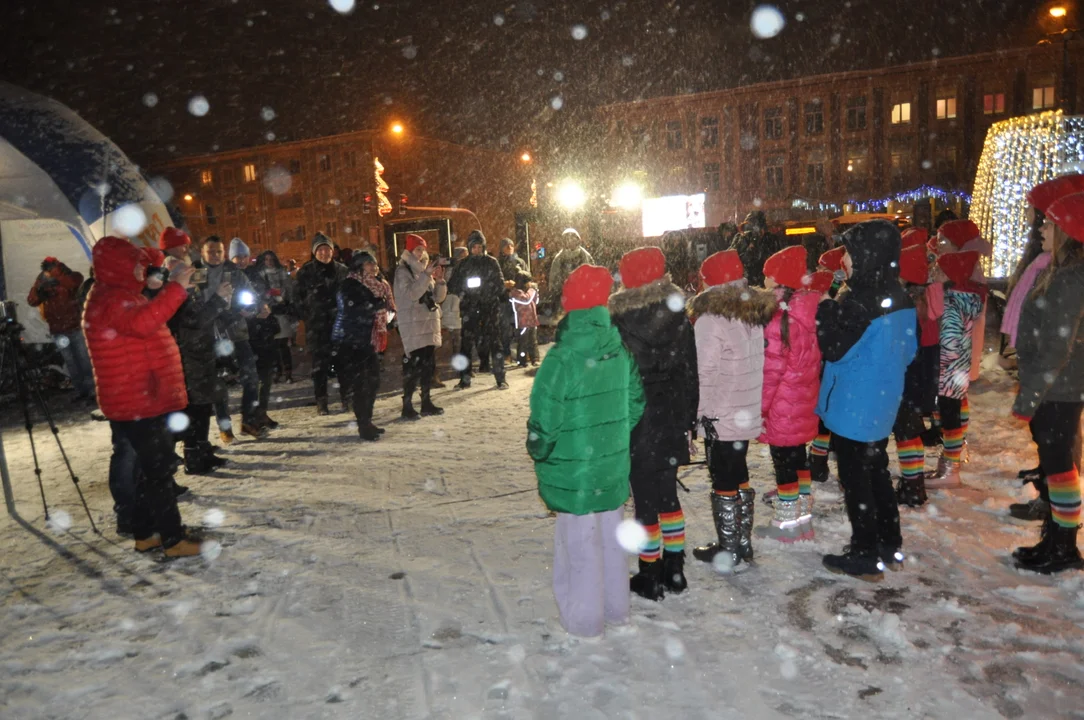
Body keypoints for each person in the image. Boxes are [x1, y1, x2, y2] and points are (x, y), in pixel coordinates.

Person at [527, 264, 645, 637]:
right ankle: (616, 609)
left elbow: (545, 419)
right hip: (610, 466)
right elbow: (636, 403)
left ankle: (584, 620)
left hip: (574, 471)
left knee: (579, 546)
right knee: (611, 540)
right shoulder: (619, 350)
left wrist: (539, 448)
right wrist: (612, 437)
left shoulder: (562, 358)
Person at [83, 236, 203, 557]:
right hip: (138, 400)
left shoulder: (116, 294)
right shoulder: (113, 300)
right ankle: (173, 539)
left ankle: (146, 534)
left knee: (147, 472)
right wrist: (175, 289)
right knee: (157, 472)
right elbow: (142, 323)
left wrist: (153, 272)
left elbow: (140, 316)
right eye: (134, 265)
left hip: (136, 398)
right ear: (120, 268)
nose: (140, 269)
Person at [816, 220, 917, 581]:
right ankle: (890, 544)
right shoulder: (899, 295)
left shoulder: (858, 300)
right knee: (876, 472)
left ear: (865, 255)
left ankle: (864, 553)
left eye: (848, 251)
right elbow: (910, 350)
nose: (843, 258)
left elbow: (833, 349)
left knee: (856, 477)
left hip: (853, 405)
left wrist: (826, 310)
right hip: (881, 402)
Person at [607, 248, 698, 599]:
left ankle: (650, 572)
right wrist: (688, 419)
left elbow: (616, 378)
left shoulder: (618, 321)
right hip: (672, 418)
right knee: (667, 496)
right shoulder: (679, 316)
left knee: (645, 501)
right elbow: (691, 372)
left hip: (638, 421)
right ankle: (675, 568)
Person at [1010, 190, 1084, 573]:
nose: (1041, 230)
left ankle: (1064, 547)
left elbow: (1057, 347)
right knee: (1056, 466)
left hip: (1059, 389)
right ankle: (1055, 540)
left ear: (1069, 232)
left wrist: (1030, 398)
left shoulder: (1070, 280)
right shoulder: (1063, 273)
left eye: (1050, 225)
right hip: (1057, 386)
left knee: (1059, 467)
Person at [688, 250, 777, 567]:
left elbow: (705, 374)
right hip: (744, 409)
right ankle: (742, 541)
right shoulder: (749, 313)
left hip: (721, 414)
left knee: (723, 476)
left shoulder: (711, 320)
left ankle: (729, 549)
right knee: (738, 471)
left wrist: (696, 415)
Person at [759, 246, 822, 542]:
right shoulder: (808, 310)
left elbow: (771, 372)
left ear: (778, 280)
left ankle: (786, 526)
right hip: (803, 400)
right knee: (799, 460)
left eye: (768, 276)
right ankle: (803, 521)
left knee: (783, 463)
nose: (765, 282)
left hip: (783, 405)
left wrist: (761, 409)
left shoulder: (778, 320)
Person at [924, 249, 987, 488]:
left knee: (950, 422)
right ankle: (949, 465)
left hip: (948, 373)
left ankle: (950, 470)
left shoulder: (951, 303)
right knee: (953, 418)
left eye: (939, 270)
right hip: (957, 371)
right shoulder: (966, 297)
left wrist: (936, 369)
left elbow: (949, 343)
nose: (934, 272)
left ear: (950, 274)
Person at [197, 237, 263, 440]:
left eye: (219, 251)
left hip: (237, 332)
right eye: (211, 252)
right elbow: (193, 306)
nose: (216, 255)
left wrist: (250, 308)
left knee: (251, 377)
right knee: (219, 383)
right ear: (203, 253)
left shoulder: (236, 273)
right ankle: (224, 427)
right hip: (210, 336)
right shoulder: (196, 275)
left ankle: (249, 421)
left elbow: (251, 296)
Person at [893, 239, 937, 507]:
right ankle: (914, 481)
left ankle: (912, 485)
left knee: (906, 432)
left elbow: (906, 346)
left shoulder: (907, 304)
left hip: (909, 378)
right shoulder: (922, 299)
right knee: (910, 431)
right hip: (920, 375)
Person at [333, 251, 389, 440]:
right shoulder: (349, 284)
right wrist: (375, 305)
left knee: (373, 381)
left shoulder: (376, 285)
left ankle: (368, 420)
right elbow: (351, 308)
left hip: (366, 339)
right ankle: (363, 425)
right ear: (358, 266)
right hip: (351, 341)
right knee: (361, 383)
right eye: (368, 264)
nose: (374, 267)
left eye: (374, 263)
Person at [393, 234, 447, 419]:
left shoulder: (424, 269)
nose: (420, 253)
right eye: (417, 249)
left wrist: (439, 281)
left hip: (428, 322)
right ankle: (407, 405)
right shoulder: (403, 271)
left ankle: (426, 402)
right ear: (409, 250)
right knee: (413, 366)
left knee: (427, 366)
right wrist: (426, 276)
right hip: (413, 323)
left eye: (422, 249)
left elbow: (437, 298)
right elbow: (412, 294)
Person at [27, 256, 95, 403]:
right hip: (58, 330)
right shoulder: (44, 281)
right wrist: (39, 285)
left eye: (51, 268)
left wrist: (56, 277)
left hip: (74, 327)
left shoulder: (68, 276)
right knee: (70, 362)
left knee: (83, 360)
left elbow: (75, 281)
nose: (49, 272)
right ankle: (81, 390)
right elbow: (32, 300)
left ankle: (92, 391)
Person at [295, 233, 349, 415]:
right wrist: (309, 315)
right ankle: (322, 402)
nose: (324, 253)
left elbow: (350, 294)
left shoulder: (342, 270)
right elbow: (297, 298)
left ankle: (346, 398)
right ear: (314, 252)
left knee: (343, 364)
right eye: (320, 249)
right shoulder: (306, 272)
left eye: (327, 249)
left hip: (340, 325)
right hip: (317, 328)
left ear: (332, 251)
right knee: (320, 367)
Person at [447, 230, 507, 389]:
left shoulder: (491, 262)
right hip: (470, 309)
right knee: (466, 344)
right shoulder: (463, 264)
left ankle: (500, 378)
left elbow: (500, 284)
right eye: (474, 247)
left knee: (495, 342)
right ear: (469, 247)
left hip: (489, 308)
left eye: (480, 247)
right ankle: (464, 379)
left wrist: (487, 292)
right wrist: (466, 292)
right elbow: (452, 285)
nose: (477, 250)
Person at [254, 250, 297, 384]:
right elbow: (259, 292)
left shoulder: (282, 273)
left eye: (271, 259)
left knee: (283, 344)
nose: (269, 262)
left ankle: (288, 372)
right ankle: (278, 371)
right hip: (269, 312)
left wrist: (283, 300)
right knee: (273, 345)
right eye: (266, 259)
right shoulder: (260, 275)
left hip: (281, 312)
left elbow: (289, 290)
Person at [543, 228, 593, 321]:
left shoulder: (585, 256)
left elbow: (592, 275)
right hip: (564, 295)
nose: (570, 242)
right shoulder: (559, 258)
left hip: (582, 295)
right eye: (567, 239)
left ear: (578, 240)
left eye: (573, 239)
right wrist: (558, 291)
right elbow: (554, 278)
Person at [729, 210, 783, 287]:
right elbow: (734, 259)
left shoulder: (771, 239)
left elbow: (775, 260)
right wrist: (750, 248)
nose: (751, 230)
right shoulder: (741, 238)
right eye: (749, 226)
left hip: (765, 281)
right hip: (747, 282)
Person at [440, 246, 468, 361]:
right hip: (453, 305)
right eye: (464, 255)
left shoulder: (466, 268)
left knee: (460, 336)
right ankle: (459, 361)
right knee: (457, 336)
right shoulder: (451, 269)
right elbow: (448, 284)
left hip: (461, 304)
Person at [509, 271, 540, 366]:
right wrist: (532, 291)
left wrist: (536, 293)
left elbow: (535, 301)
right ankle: (521, 360)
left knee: (533, 341)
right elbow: (526, 300)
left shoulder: (528, 292)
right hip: (522, 322)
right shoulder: (516, 293)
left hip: (532, 320)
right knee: (523, 342)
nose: (530, 284)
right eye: (528, 282)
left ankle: (535, 358)